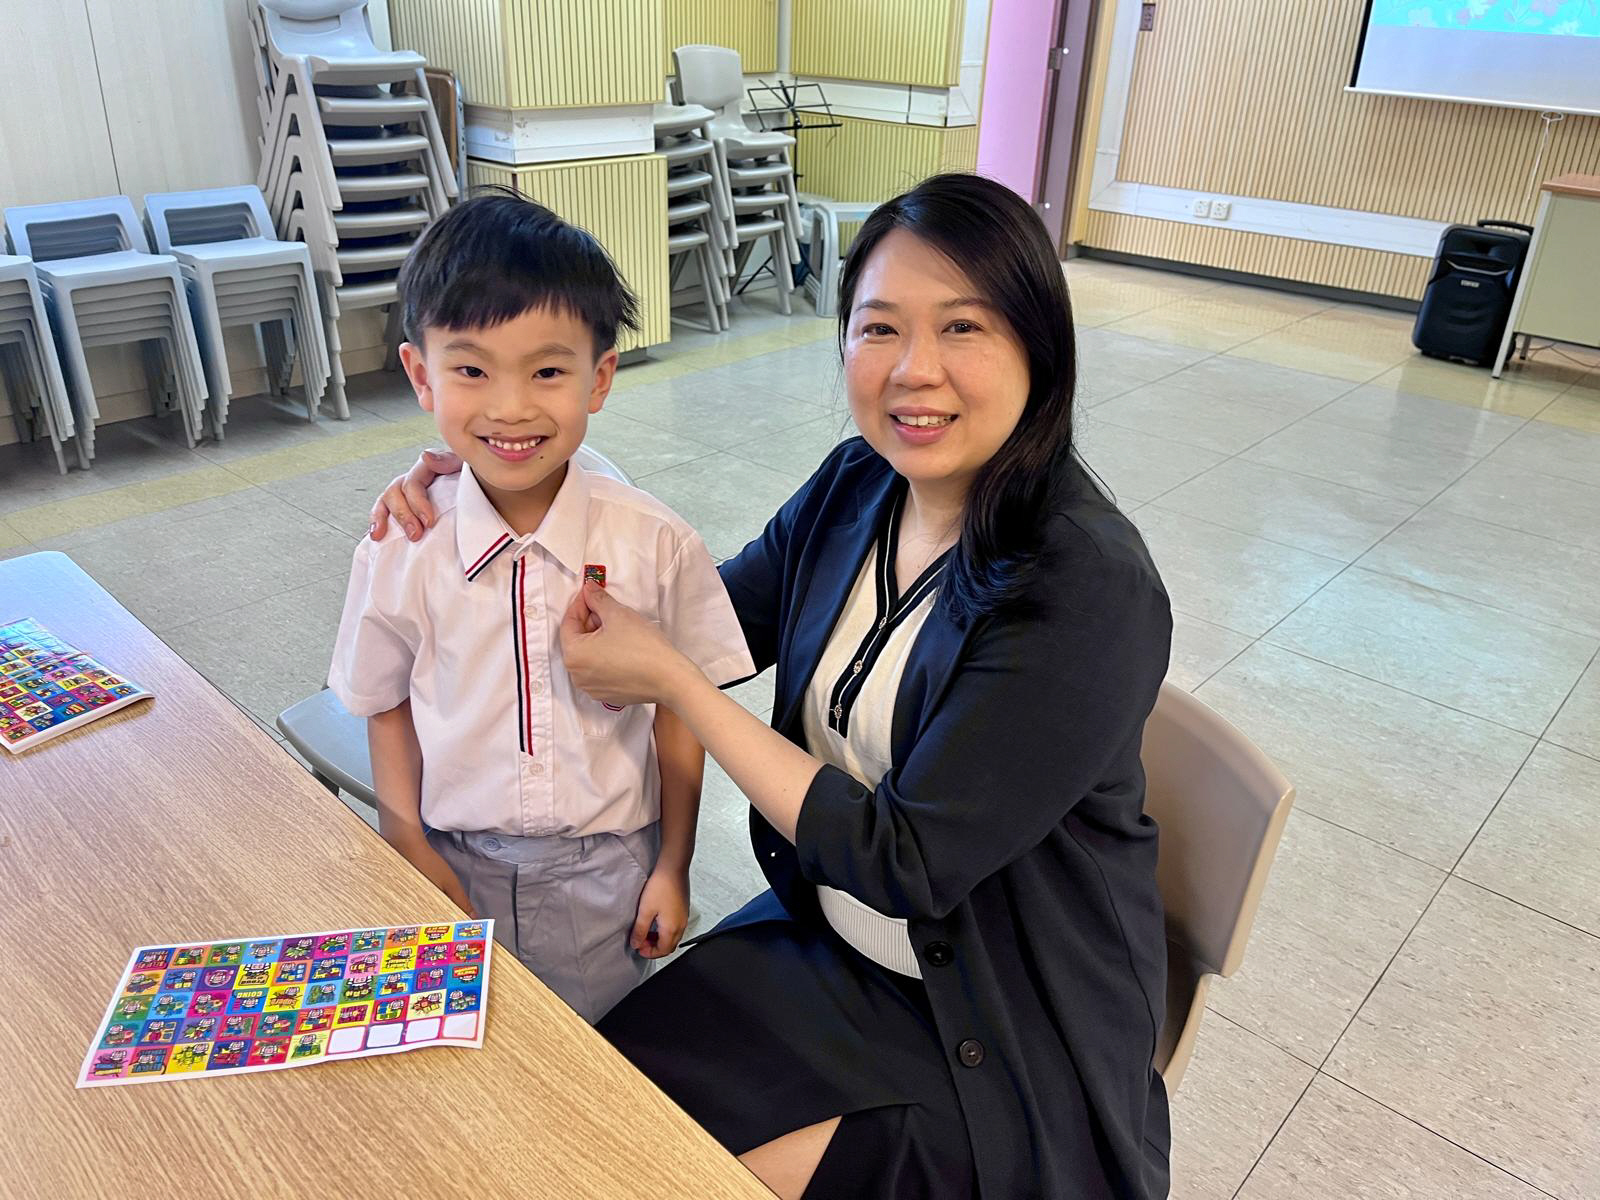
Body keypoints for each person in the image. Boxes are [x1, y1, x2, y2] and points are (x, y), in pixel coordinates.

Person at [370, 174, 1172, 1199]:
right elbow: (704, 614)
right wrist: (503, 476)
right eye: (879, 329)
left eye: (962, 327)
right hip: (827, 942)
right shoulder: (860, 485)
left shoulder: (1086, 585)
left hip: (996, 1023)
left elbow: (904, 861)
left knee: (642, 1170)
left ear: (1038, 347)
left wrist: (676, 686)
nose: (914, 370)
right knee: (585, 1110)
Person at [329, 191, 754, 1024]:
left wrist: (674, 864)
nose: (511, 407)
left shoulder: (654, 543)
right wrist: (405, 838)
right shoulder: (403, 545)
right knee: (466, 1051)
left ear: (600, 378)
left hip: (606, 874)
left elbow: (680, 713)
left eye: (548, 371)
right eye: (472, 369)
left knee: (597, 1053)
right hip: (451, 859)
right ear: (421, 374)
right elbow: (384, 701)